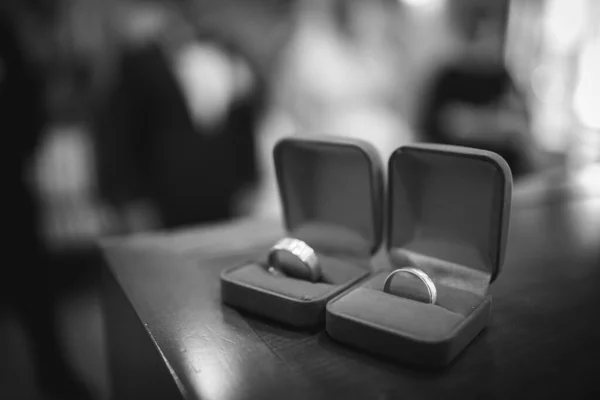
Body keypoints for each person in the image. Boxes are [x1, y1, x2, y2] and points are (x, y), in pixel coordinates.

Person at [96, 2, 265, 231]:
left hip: (223, 198)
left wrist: (250, 179)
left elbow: (243, 125)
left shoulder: (230, 53)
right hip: (163, 201)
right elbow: (118, 133)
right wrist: (128, 200)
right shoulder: (142, 56)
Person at [0, 2, 91, 399]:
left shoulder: (7, 25)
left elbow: (23, 88)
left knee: (35, 301)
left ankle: (54, 378)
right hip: (12, 176)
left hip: (11, 183)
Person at [418, 0, 538, 178]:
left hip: (508, 175)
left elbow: (521, 124)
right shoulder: (448, 76)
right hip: (458, 172)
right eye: (487, 34)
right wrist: (498, 126)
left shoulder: (503, 75)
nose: (493, 43)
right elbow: (451, 124)